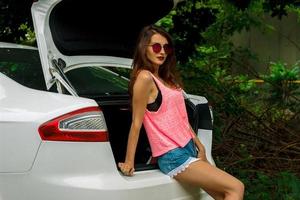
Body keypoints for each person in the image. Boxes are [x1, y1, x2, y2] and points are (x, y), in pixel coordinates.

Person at [118, 24, 244, 200]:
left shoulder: (167, 79)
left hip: (189, 148)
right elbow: (137, 123)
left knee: (224, 195)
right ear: (143, 48)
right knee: (236, 187)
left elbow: (180, 119)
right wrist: (129, 161)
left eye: (166, 47)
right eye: (156, 46)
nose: (162, 51)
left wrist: (199, 145)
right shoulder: (145, 78)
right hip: (172, 155)